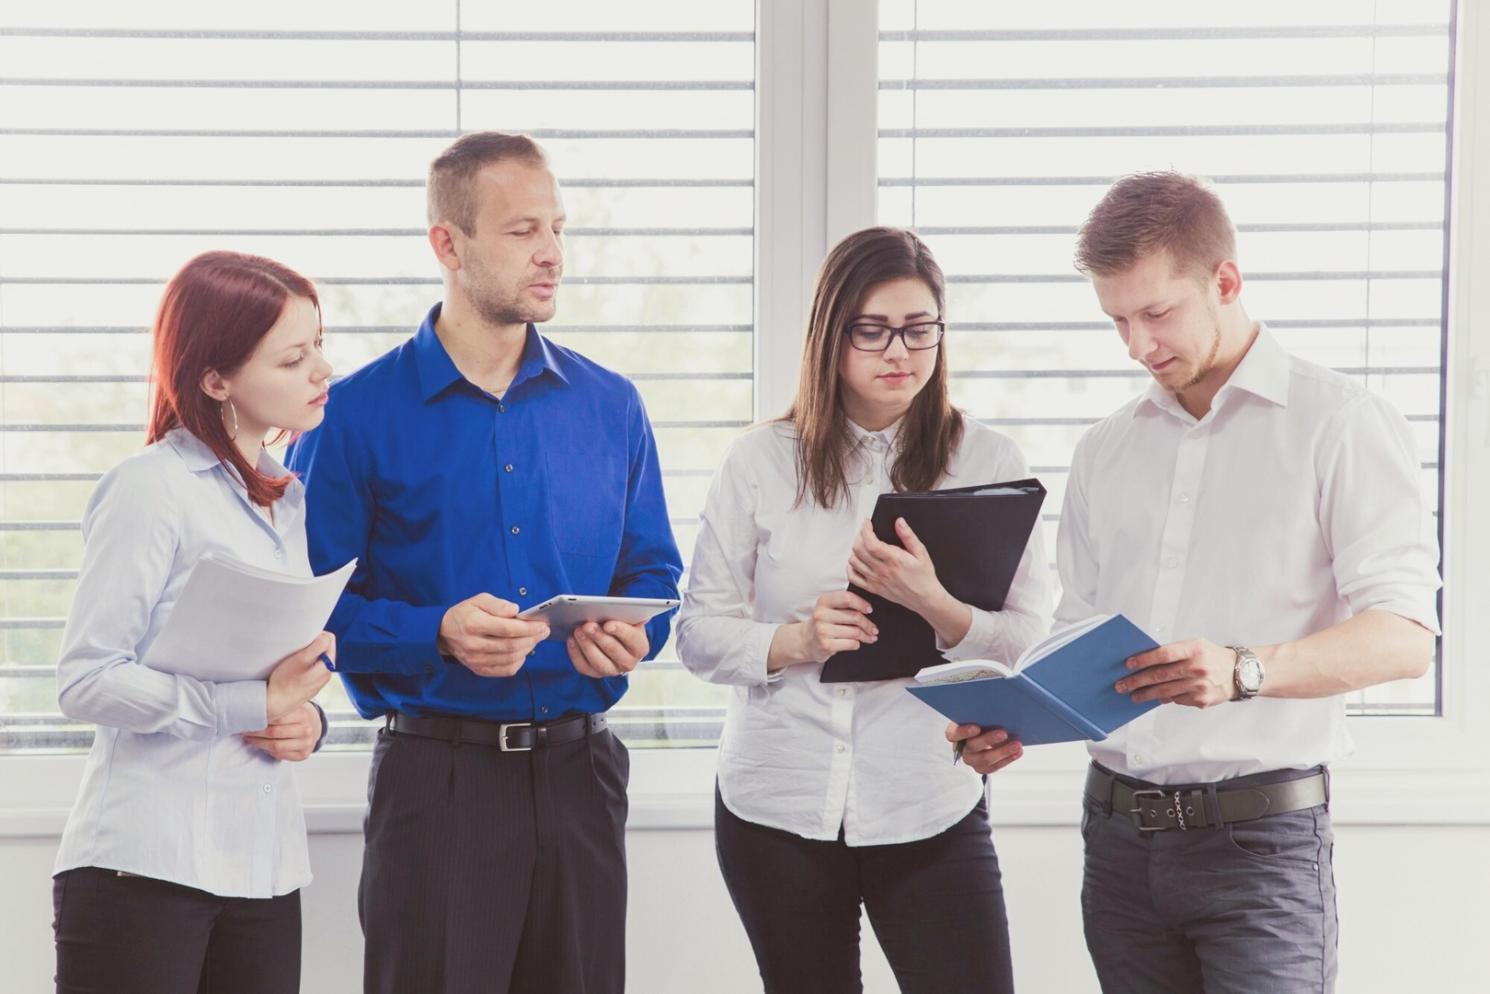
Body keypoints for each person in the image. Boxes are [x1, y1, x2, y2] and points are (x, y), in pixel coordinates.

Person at [954, 172, 1441, 994]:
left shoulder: (1341, 424)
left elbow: (1405, 636)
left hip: (1262, 847)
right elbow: (1081, 637)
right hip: (1116, 841)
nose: (1138, 346)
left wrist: (1246, 670)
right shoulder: (1106, 450)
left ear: (1226, 281)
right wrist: (1019, 722)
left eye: (1157, 313)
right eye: (1117, 320)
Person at [285, 131, 683, 994]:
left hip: (583, 779)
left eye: (558, 228)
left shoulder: (612, 405)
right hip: (439, 787)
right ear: (448, 244)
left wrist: (632, 637)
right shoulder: (351, 416)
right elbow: (304, 615)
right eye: (521, 231)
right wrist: (436, 633)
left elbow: (655, 577)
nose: (551, 254)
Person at [676, 226, 1050, 994]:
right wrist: (796, 640)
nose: (899, 353)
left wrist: (934, 602)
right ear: (831, 335)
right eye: (873, 330)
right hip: (775, 803)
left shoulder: (990, 461)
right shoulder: (759, 460)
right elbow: (697, 634)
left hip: (926, 798)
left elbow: (1024, 640)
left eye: (920, 330)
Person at [52, 250, 337, 994]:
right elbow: (86, 681)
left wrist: (303, 722)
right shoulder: (150, 490)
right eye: (293, 357)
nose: (322, 371)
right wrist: (247, 705)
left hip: (265, 869)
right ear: (216, 379)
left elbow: (270, 671)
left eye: (319, 346)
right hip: (143, 867)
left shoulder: (289, 499)